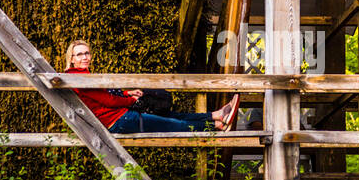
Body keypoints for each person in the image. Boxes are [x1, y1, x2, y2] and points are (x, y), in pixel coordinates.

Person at [63, 40, 238, 133]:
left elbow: (105, 93)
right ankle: (215, 125)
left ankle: (216, 114)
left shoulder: (81, 76)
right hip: (117, 121)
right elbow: (108, 100)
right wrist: (131, 100)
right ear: (71, 59)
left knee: (171, 115)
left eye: (87, 53)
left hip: (122, 117)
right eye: (79, 54)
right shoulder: (79, 78)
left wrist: (126, 92)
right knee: (172, 124)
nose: (85, 57)